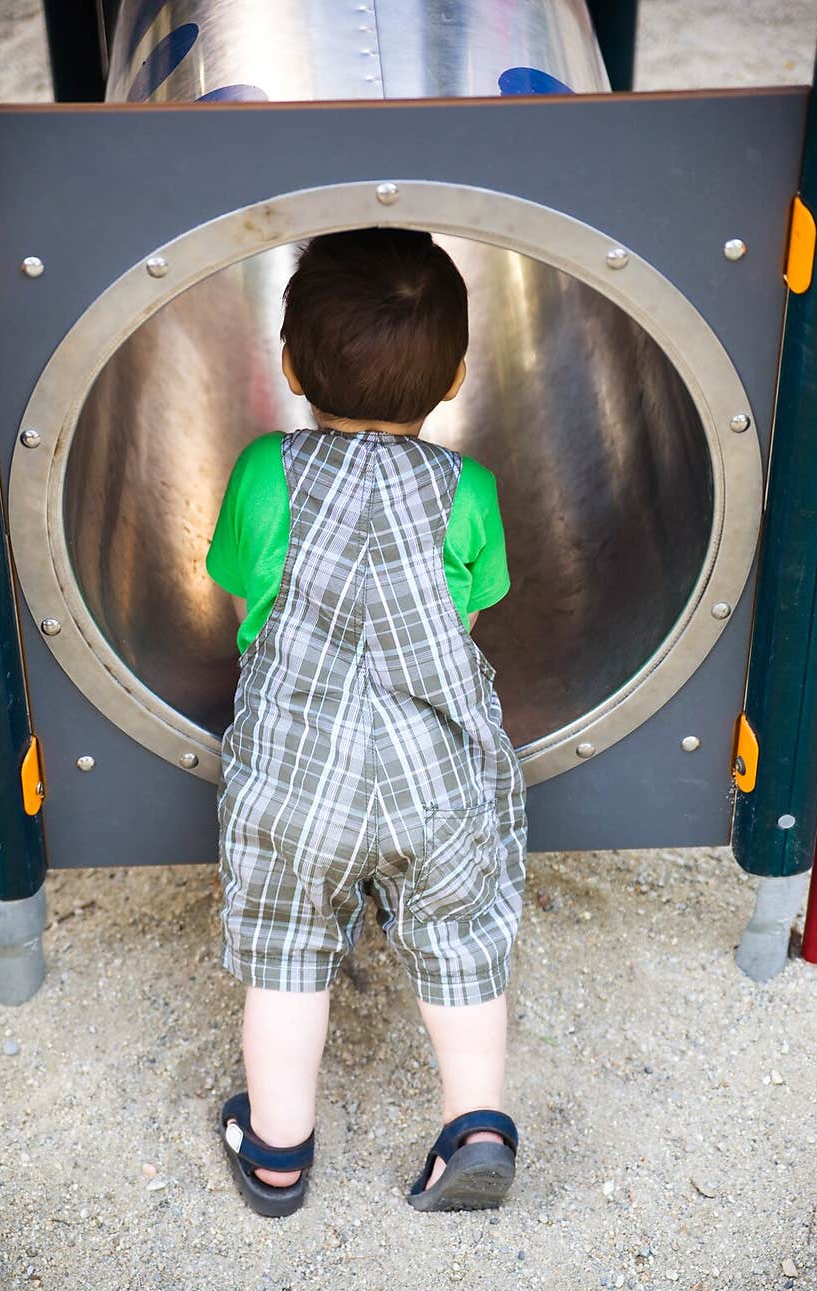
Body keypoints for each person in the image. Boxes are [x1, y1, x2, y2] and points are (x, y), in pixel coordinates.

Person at [206, 228, 527, 1217]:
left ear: (292, 363)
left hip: (299, 776)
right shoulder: (464, 488)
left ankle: (275, 1155)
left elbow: (240, 597)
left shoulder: (269, 470)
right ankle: (475, 1125)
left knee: (288, 954)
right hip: (435, 775)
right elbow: (470, 610)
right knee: (460, 939)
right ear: (458, 374)